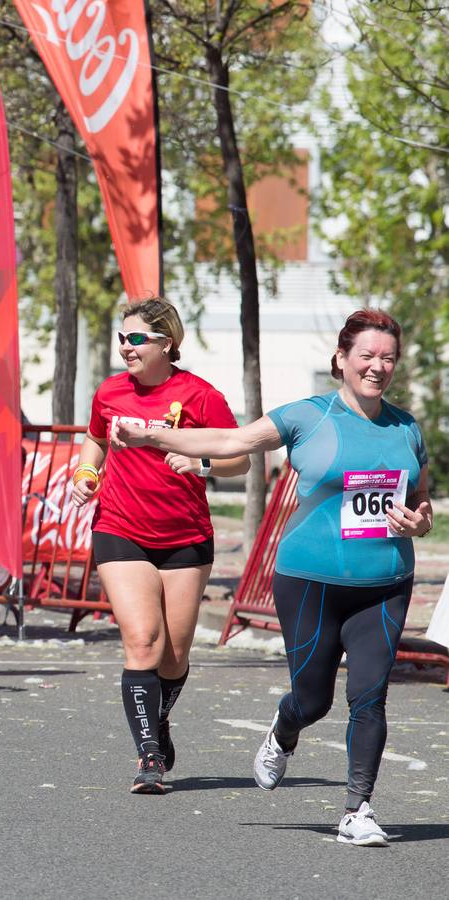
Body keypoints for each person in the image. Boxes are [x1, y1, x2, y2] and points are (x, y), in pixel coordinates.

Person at [114, 308, 430, 844]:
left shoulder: (407, 428)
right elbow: (230, 444)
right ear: (341, 359)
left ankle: (358, 809)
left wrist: (419, 522)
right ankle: (284, 732)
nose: (377, 367)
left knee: (369, 695)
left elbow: (422, 503)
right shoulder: (307, 416)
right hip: (309, 580)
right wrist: (154, 440)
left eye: (388, 358)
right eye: (367, 355)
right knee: (313, 699)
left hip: (385, 581)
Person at [69, 299, 246, 794]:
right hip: (120, 528)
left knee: (174, 654)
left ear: (166, 343)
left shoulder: (199, 395)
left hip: (185, 536)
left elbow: (240, 460)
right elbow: (94, 440)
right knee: (143, 641)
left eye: (136, 338)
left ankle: (159, 717)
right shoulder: (109, 392)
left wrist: (203, 466)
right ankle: (149, 755)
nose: (126, 346)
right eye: (122, 337)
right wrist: (87, 473)